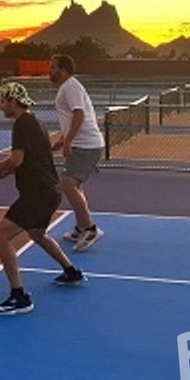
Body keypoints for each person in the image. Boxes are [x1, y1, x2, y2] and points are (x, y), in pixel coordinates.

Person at [0, 81, 86, 316]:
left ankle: (19, 296)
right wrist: (6, 171)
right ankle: (71, 271)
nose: (1, 106)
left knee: (0, 237)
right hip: (50, 191)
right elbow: (27, 161)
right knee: (36, 233)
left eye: (3, 101)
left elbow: (16, 159)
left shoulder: (22, 124)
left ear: (13, 101)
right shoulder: (35, 122)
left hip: (37, 194)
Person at [48, 54, 105, 251]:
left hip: (86, 145)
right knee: (74, 185)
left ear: (62, 70)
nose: (50, 71)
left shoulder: (70, 86)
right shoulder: (68, 87)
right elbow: (72, 119)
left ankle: (90, 229)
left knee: (68, 183)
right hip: (83, 144)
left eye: (53, 67)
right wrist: (62, 141)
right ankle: (81, 228)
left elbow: (79, 114)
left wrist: (68, 142)